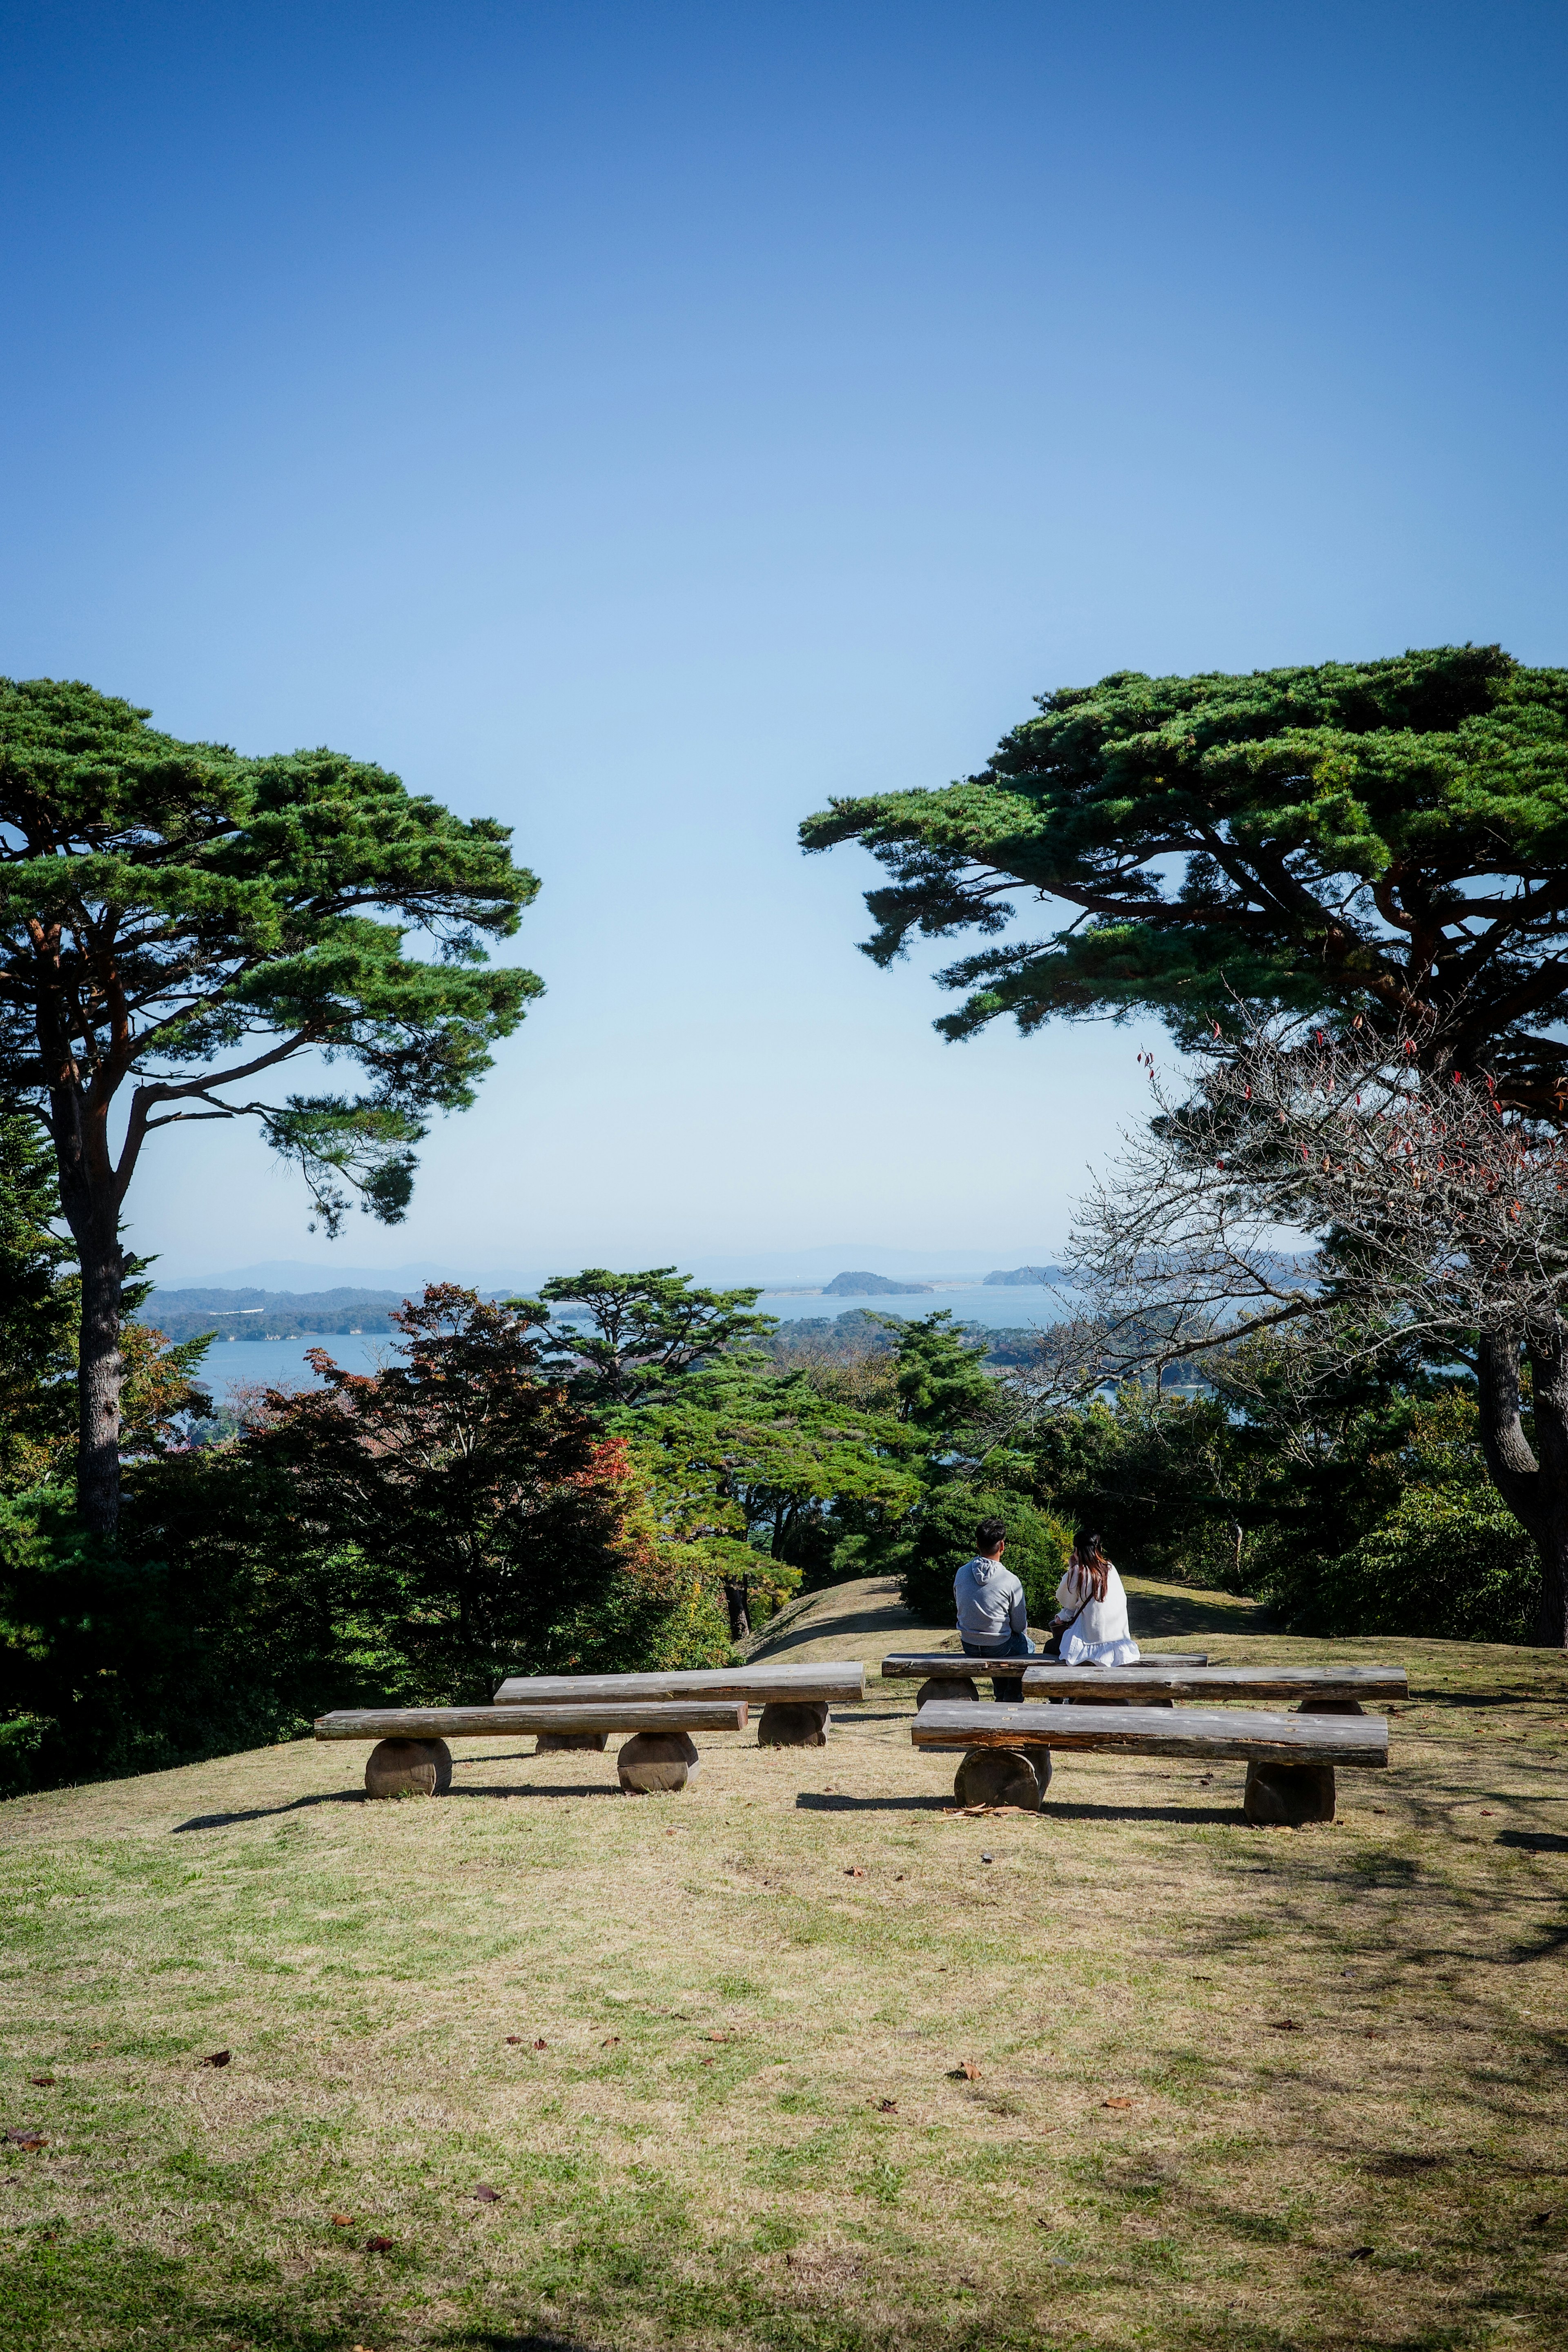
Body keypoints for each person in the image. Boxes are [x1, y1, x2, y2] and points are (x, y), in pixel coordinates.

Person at [953, 1517, 1037, 1702]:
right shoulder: (1010, 1580)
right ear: (1002, 1546)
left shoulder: (961, 1573)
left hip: (969, 1644)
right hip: (998, 1646)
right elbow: (1019, 1625)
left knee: (1001, 1647)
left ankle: (1001, 1694)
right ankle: (1012, 1696)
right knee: (1027, 1646)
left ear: (977, 1544)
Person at [1053, 1532, 1140, 1666]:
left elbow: (1066, 1601)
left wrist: (1071, 1569)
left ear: (1077, 1551)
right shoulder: (1110, 1569)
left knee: (1050, 1648)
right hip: (1119, 1647)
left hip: (1088, 1646)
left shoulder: (1079, 1572)